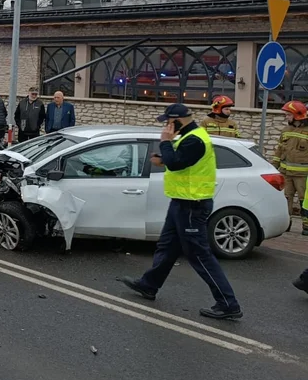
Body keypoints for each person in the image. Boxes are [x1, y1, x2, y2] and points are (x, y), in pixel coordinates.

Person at [122, 103, 242, 320]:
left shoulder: (196, 139)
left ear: (179, 120)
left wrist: (166, 143)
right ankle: (149, 285)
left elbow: (177, 163)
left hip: (192, 205)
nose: (166, 126)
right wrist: (164, 158)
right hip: (181, 202)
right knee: (167, 247)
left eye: (168, 121)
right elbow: (180, 164)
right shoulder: (188, 138)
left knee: (199, 254)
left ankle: (227, 302)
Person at [270, 100, 308, 237]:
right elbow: (279, 150)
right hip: (286, 173)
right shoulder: (286, 130)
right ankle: (287, 224)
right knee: (286, 199)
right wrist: (274, 167)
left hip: (303, 175)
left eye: (288, 114)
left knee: (305, 200)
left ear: (297, 115)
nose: (286, 117)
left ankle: (307, 226)